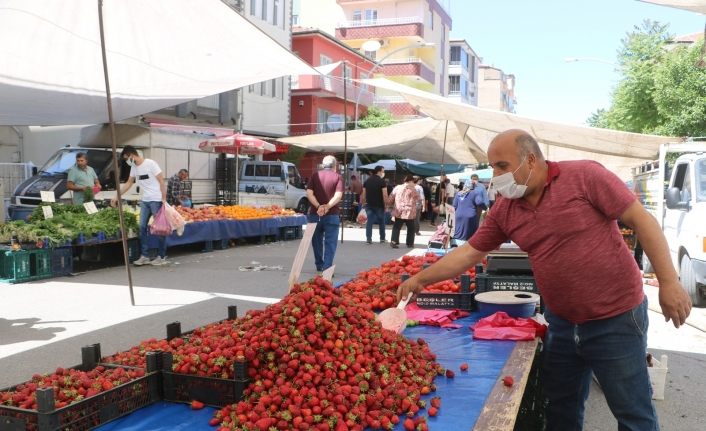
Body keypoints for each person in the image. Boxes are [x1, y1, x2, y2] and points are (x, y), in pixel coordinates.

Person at [397, 129, 691, 431]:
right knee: (561, 411)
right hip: (562, 323)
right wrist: (421, 279)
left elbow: (642, 220)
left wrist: (669, 282)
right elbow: (469, 253)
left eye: (502, 166)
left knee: (633, 413)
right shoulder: (505, 210)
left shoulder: (585, 177)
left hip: (615, 319)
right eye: (494, 167)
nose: (496, 175)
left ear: (531, 160)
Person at [111, 146, 169, 266]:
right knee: (141, 227)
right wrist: (117, 196)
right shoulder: (134, 167)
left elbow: (161, 181)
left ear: (132, 155)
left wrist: (163, 199)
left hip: (156, 200)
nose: (127, 161)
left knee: (159, 229)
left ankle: (161, 256)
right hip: (145, 201)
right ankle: (145, 256)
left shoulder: (150, 163)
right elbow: (128, 183)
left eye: (127, 158)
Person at [306, 155, 344, 273]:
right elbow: (338, 196)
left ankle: (319, 264)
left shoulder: (315, 175)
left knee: (316, 241)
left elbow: (309, 193)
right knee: (330, 242)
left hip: (315, 214)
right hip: (332, 214)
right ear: (334, 166)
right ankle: (327, 268)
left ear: (323, 165)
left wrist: (318, 206)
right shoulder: (338, 177)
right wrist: (327, 206)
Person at [388, 175, 419, 249]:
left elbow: (391, 197)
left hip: (399, 210)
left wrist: (389, 205)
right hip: (409, 212)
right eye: (413, 181)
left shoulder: (397, 187)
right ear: (410, 181)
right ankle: (410, 243)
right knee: (411, 228)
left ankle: (394, 241)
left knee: (397, 226)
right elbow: (417, 198)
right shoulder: (412, 189)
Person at [360, 165, 388, 244]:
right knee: (381, 221)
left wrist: (363, 203)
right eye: (383, 171)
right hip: (379, 205)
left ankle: (368, 239)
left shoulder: (367, 181)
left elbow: (363, 193)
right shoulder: (382, 181)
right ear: (379, 171)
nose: (383, 173)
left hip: (369, 204)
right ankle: (382, 238)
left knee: (369, 222)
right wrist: (386, 204)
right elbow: (385, 195)